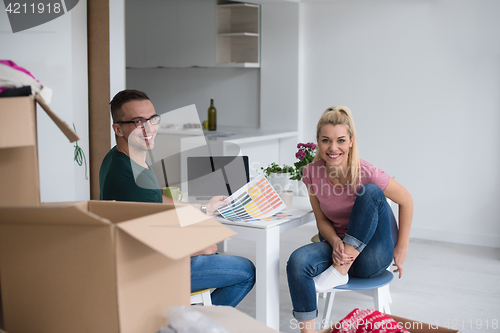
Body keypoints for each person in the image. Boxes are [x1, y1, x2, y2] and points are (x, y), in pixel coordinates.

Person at [99, 89, 255, 307]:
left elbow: (156, 199)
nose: (149, 128)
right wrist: (201, 246)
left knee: (209, 246)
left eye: (152, 119)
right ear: (118, 129)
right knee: (245, 271)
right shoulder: (129, 175)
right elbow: (153, 242)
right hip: (147, 267)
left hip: (136, 258)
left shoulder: (119, 157)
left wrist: (202, 208)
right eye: (137, 121)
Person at [286, 106, 413, 333]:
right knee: (297, 261)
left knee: (372, 192)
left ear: (351, 141)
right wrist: (335, 241)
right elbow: (322, 221)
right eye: (326, 140)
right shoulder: (311, 173)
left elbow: (407, 200)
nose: (333, 148)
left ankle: (339, 272)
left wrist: (402, 246)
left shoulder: (367, 172)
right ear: (317, 141)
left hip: (372, 256)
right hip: (339, 249)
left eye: (341, 140)